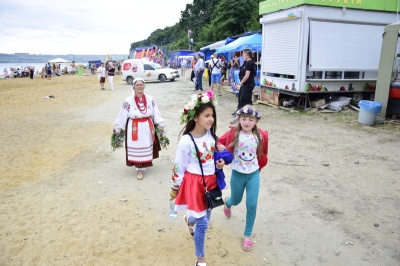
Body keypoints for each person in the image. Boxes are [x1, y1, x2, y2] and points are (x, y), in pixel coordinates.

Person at [170, 90, 224, 266]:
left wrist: (220, 163)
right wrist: (175, 188)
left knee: (204, 216)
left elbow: (212, 159)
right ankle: (200, 260)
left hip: (210, 183)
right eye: (206, 116)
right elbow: (179, 167)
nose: (211, 119)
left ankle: (189, 219)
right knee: (203, 224)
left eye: (212, 115)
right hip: (195, 184)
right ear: (195, 117)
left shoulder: (210, 136)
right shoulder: (186, 141)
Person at [217, 105, 269, 252]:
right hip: (237, 174)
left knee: (252, 204)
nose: (247, 122)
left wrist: (259, 167)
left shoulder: (260, 135)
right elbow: (219, 141)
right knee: (236, 200)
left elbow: (263, 153)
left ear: (256, 121)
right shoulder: (234, 133)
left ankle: (247, 235)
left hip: (253, 174)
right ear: (239, 119)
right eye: (244, 119)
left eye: (251, 119)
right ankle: (227, 203)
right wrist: (221, 147)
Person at [114, 77, 164, 180]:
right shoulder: (128, 100)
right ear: (134, 87)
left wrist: (159, 123)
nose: (140, 86)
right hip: (135, 127)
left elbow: (155, 111)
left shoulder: (150, 99)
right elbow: (122, 114)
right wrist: (118, 127)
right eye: (137, 85)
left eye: (141, 84)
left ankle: (144, 164)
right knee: (137, 147)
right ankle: (139, 170)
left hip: (146, 126)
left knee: (146, 146)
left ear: (144, 86)